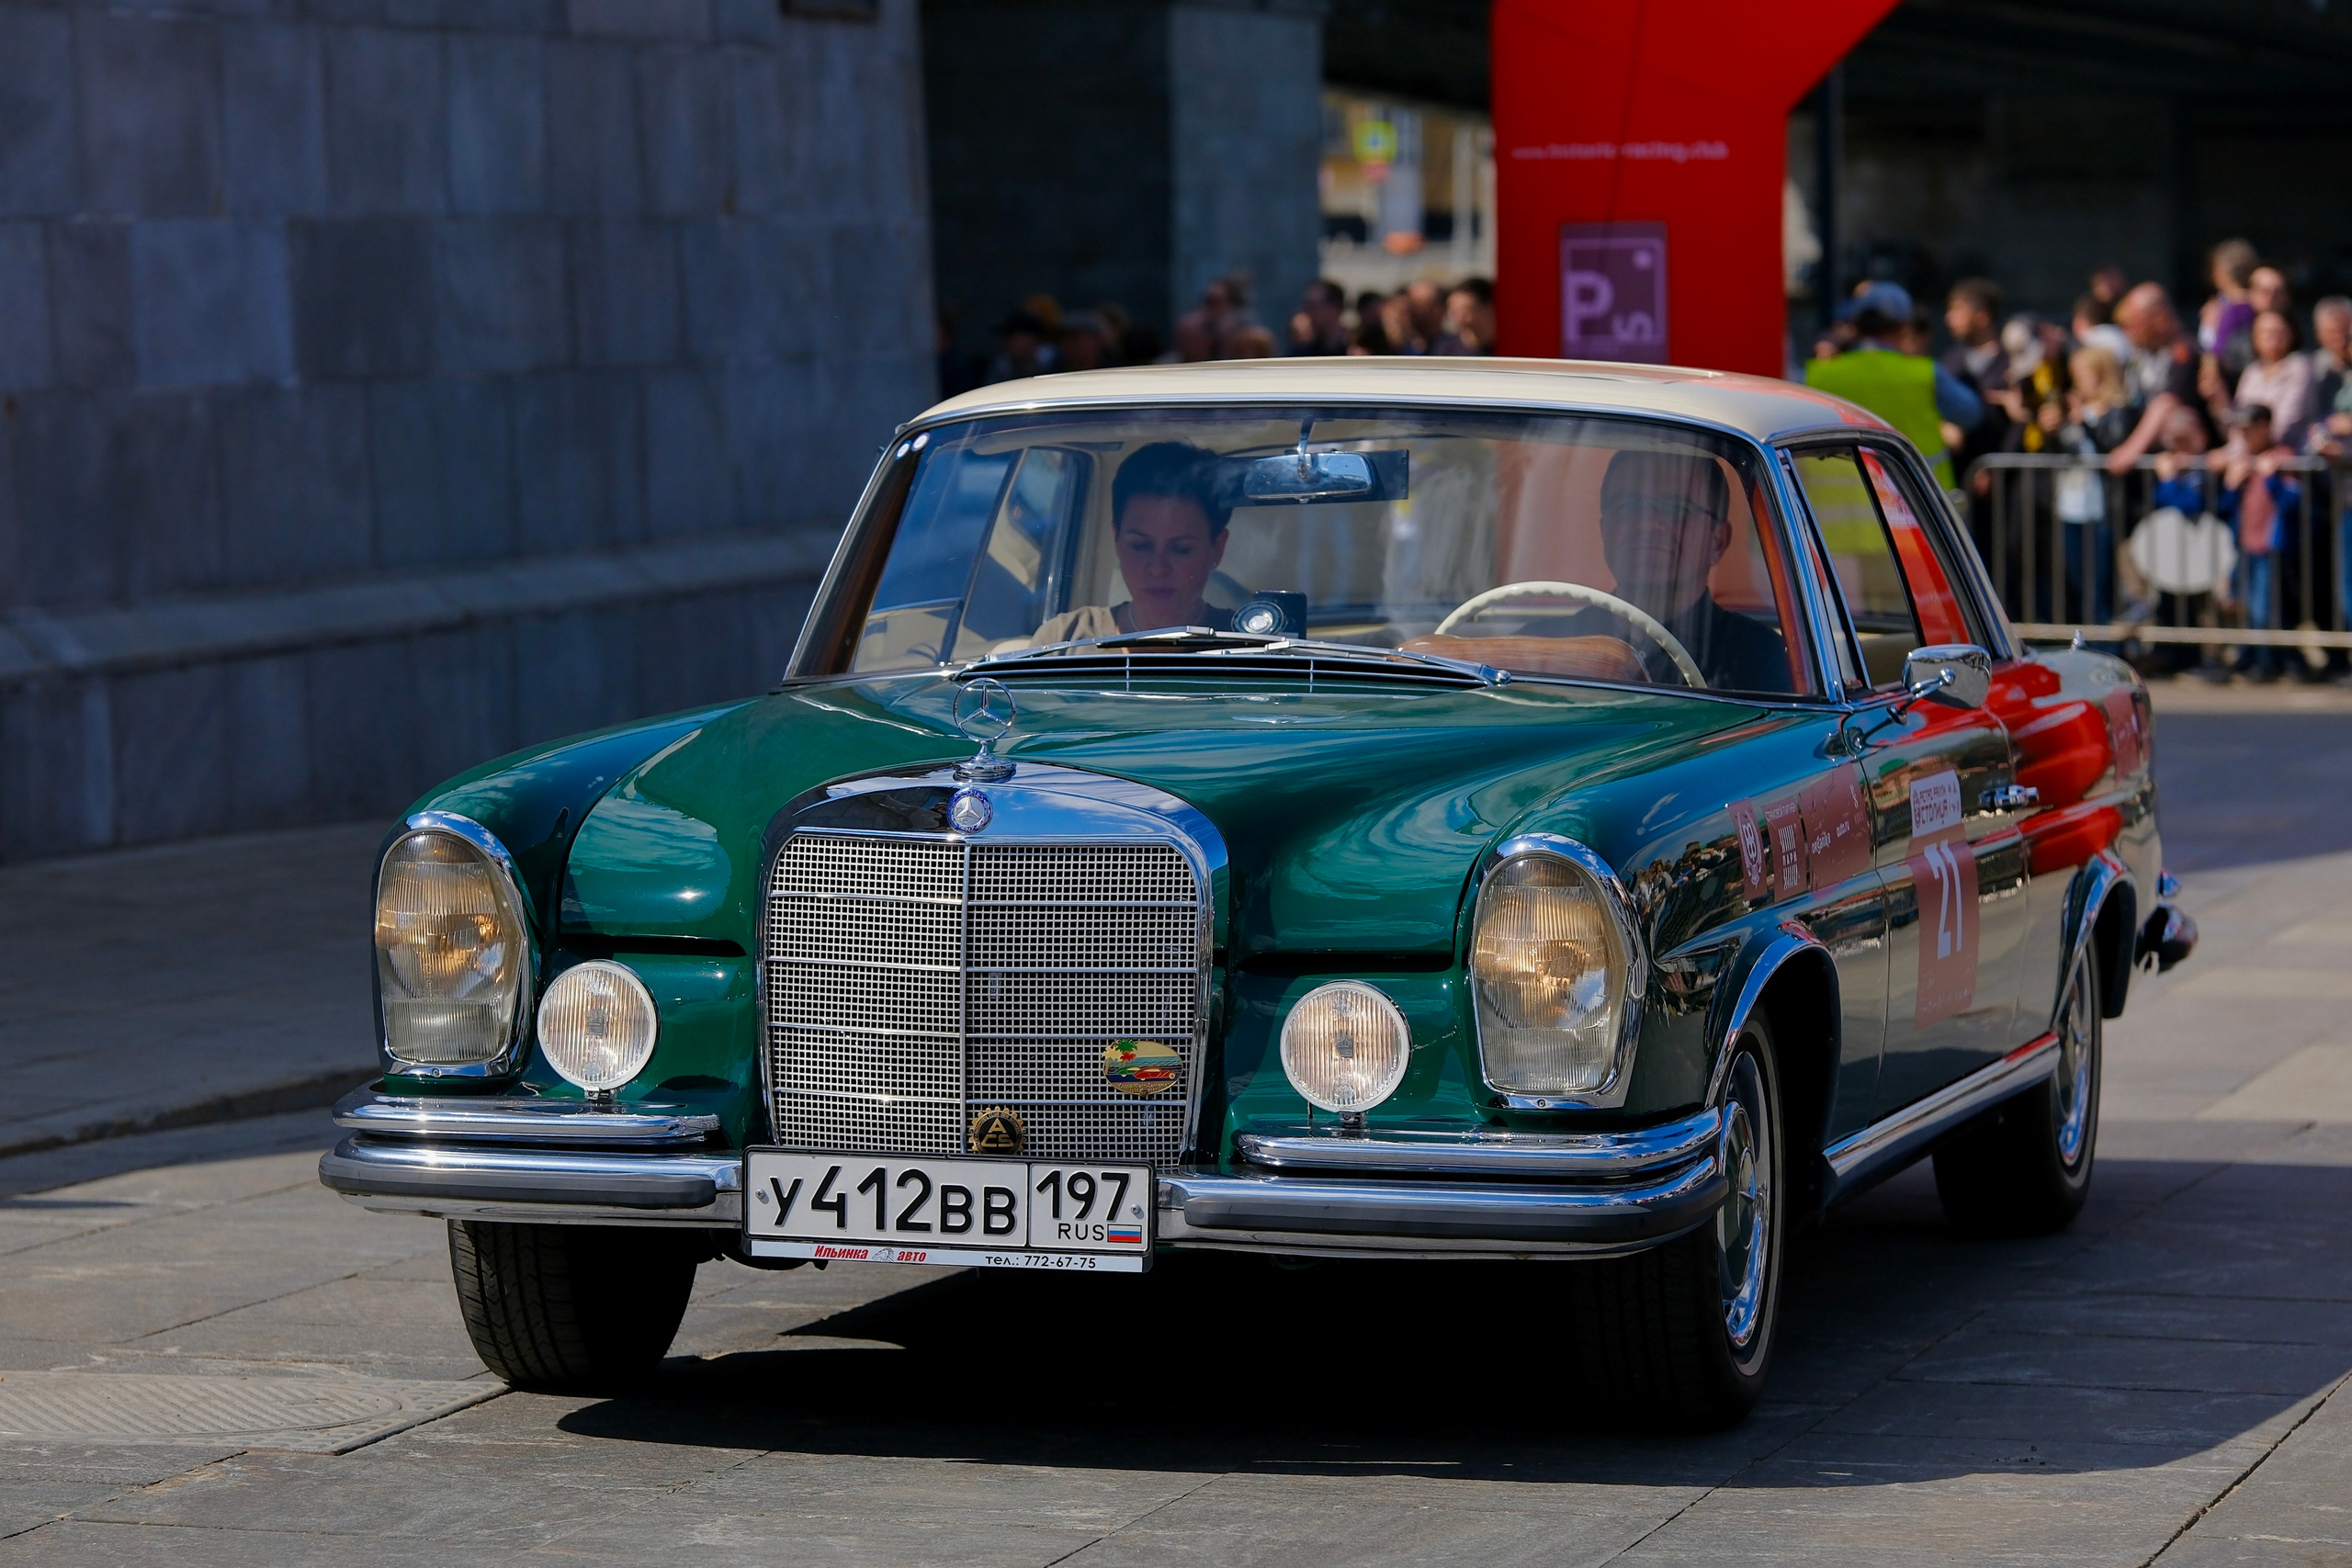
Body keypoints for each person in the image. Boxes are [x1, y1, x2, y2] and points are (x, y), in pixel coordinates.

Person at [1573, 447, 1792, 691]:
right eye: (1629, 506)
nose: (1648, 524)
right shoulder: (1554, 646)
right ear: (1605, 531)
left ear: (1717, 541)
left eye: (1678, 509)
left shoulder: (1764, 664)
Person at [1028, 443, 1237, 643]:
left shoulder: (1246, 644)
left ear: (1217, 549)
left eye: (1181, 549)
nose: (1157, 569)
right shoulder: (1062, 640)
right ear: (1117, 541)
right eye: (1140, 546)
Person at [1804, 281, 1984, 488]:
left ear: (1856, 325)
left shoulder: (1820, 375)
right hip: (1915, 496)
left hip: (1838, 497)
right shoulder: (1923, 372)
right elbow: (1971, 413)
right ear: (1904, 327)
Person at [2215, 404, 2301, 681]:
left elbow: (2292, 502)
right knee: (2245, 605)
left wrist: (2271, 477)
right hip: (2245, 544)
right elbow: (2224, 507)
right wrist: (2231, 484)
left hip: (2270, 545)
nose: (2244, 435)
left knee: (2264, 607)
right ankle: (2248, 655)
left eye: (2249, 429)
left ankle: (2267, 661)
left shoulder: (2282, 457)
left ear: (2265, 427)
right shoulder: (2243, 460)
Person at [2106, 283, 2209, 473]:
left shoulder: (2184, 351)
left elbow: (2167, 401)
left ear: (2160, 319)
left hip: (2188, 469)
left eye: (2135, 323)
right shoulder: (2143, 357)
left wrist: (2131, 450)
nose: (2129, 332)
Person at [2233, 309, 2316, 453]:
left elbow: (2289, 419)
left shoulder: (2300, 367)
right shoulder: (2251, 372)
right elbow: (2240, 416)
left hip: (2291, 453)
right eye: (2265, 332)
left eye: (2278, 332)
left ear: (2291, 333)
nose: (2272, 339)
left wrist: (2261, 450)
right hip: (2250, 452)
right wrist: (2236, 452)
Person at [1433, 277, 1497, 355]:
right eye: (1454, 310)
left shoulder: (1506, 345)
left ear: (1487, 306)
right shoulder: (1444, 348)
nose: (1459, 317)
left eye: (1465, 310)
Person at [1289, 279, 1351, 355]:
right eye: (1306, 305)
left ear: (1335, 309)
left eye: (1312, 306)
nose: (1306, 312)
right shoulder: (1303, 352)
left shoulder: (1356, 350)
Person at [1347, 290, 1392, 355]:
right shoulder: (1350, 337)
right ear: (1361, 311)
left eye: (1380, 311)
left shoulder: (1388, 338)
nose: (1377, 315)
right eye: (1373, 310)